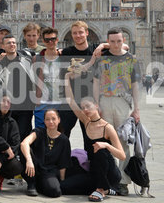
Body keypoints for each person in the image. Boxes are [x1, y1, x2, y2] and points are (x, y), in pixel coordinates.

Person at [63, 72, 125, 201]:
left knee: (100, 151)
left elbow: (122, 155)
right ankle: (107, 188)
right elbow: (70, 100)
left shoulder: (107, 127)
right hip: (94, 171)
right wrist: (66, 78)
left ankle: (101, 189)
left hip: (109, 172)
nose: (85, 109)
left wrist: (106, 145)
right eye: (83, 107)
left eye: (88, 106)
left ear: (96, 106)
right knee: (63, 187)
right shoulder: (86, 122)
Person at [93, 28, 140, 196]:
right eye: (112, 41)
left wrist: (137, 109)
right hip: (105, 101)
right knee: (106, 140)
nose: (115, 44)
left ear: (123, 40)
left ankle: (123, 181)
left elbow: (135, 86)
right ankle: (109, 178)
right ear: (108, 41)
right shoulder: (102, 59)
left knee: (123, 141)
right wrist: (96, 104)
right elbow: (96, 83)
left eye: (118, 41)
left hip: (122, 102)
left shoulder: (131, 60)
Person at [21, 109, 71, 197]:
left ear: (59, 120)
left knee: (55, 191)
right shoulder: (39, 132)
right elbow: (24, 143)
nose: (50, 121)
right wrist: (29, 160)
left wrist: (62, 182)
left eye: (53, 119)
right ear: (44, 121)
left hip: (49, 172)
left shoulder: (64, 140)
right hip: (33, 168)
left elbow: (63, 164)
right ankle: (31, 183)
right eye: (47, 119)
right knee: (24, 150)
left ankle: (38, 184)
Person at [0, 34, 36, 143]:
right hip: (10, 105)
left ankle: (24, 157)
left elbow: (43, 52)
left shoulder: (26, 56)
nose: (12, 45)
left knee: (24, 132)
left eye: (14, 42)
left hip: (26, 103)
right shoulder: (0, 64)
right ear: (3, 46)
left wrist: (59, 50)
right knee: (10, 133)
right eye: (8, 43)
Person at [34, 28, 62, 128]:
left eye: (53, 39)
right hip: (42, 103)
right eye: (47, 40)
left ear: (57, 40)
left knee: (59, 136)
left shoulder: (63, 57)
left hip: (60, 103)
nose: (50, 42)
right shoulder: (37, 58)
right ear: (43, 41)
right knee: (40, 135)